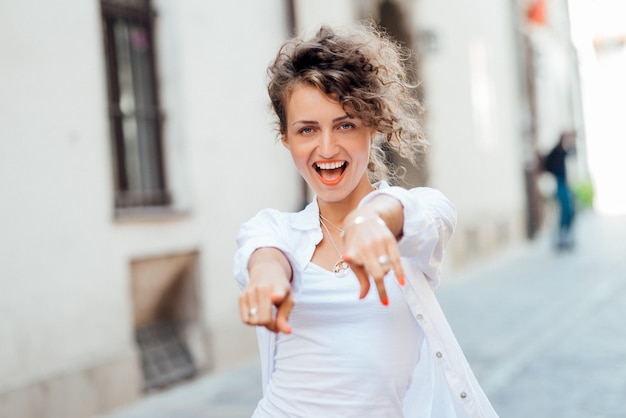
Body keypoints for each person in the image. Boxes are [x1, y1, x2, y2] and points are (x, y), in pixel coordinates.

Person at [234, 22, 498, 417]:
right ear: (286, 138)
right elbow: (263, 256)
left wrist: (373, 220)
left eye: (345, 124)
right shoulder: (274, 230)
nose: (326, 147)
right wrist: (268, 280)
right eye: (307, 129)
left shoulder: (418, 213)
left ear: (371, 126)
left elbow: (415, 214)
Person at [543, 131, 576, 250]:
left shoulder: (564, 152)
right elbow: (548, 166)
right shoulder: (556, 152)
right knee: (564, 211)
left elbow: (574, 152)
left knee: (570, 211)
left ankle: (566, 237)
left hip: (565, 185)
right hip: (559, 184)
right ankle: (562, 238)